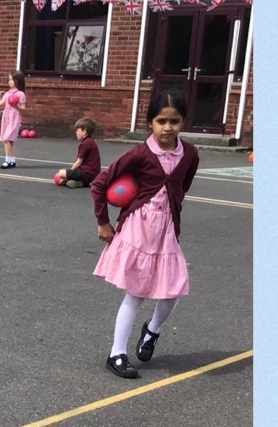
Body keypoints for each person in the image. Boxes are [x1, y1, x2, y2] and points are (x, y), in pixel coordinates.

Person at [93, 86, 200, 378]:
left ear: (183, 122)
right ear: (150, 123)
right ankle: (117, 353)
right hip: (138, 229)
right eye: (161, 121)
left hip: (165, 230)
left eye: (174, 121)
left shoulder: (189, 153)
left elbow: (182, 185)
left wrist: (169, 206)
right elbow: (100, 183)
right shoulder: (139, 153)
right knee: (136, 293)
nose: (168, 127)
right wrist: (103, 221)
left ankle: (151, 331)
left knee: (172, 290)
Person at [56, 116, 101, 188]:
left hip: (87, 173)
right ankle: (81, 183)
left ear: (84, 131)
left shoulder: (85, 143)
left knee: (61, 173)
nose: (76, 132)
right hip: (92, 175)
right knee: (71, 181)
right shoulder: (91, 141)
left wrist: (68, 175)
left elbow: (78, 162)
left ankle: (74, 180)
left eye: (77, 130)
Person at [0, 70, 26, 170]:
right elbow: (0, 104)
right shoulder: (7, 93)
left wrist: (16, 106)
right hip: (6, 116)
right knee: (10, 140)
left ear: (18, 81)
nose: (10, 82)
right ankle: (12, 160)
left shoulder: (20, 94)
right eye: (9, 80)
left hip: (14, 117)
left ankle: (7, 160)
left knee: (7, 139)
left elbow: (23, 108)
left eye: (12, 80)